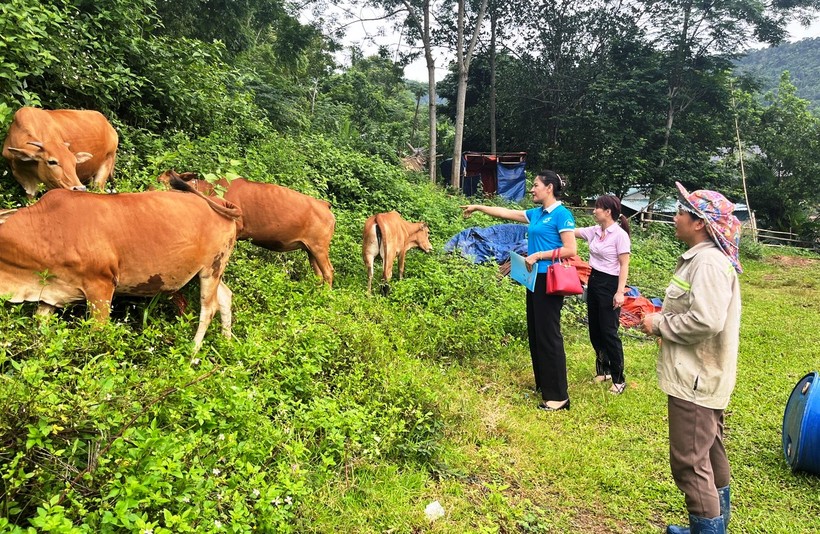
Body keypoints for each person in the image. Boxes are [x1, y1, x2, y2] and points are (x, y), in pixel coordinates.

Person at [641, 182, 742, 534]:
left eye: (681, 211)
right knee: (710, 451)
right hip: (703, 376)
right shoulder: (704, 260)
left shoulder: (709, 263)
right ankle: (713, 526)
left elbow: (707, 320)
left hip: (697, 379)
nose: (675, 216)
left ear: (699, 223)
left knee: (689, 463)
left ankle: (707, 528)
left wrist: (659, 324)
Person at [462, 170, 577, 411]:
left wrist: (539, 255)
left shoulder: (561, 214)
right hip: (534, 279)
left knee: (549, 335)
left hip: (551, 279)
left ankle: (559, 396)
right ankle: (543, 385)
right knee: (536, 333)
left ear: (549, 188)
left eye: (535, 185)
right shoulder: (536, 214)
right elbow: (506, 212)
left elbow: (570, 249)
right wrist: (479, 207)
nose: (532, 189)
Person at [574, 195, 631, 395]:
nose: (594, 211)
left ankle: (619, 378)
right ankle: (604, 370)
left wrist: (620, 292)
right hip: (595, 280)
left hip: (611, 283)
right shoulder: (594, 231)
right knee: (595, 330)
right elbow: (571, 232)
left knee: (609, 331)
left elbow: (624, 264)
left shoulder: (620, 235)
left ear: (608, 212)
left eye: (597, 208)